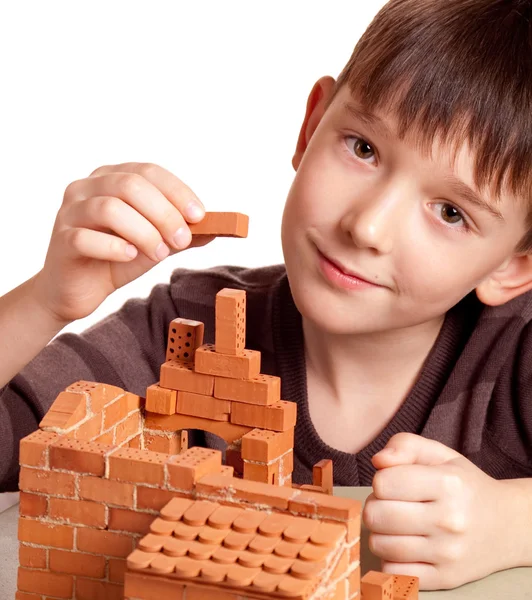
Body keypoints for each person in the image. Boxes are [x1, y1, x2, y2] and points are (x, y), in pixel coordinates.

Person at [2, 0, 532, 590]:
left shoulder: (519, 360)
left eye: (451, 212)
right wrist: (44, 301)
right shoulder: (184, 332)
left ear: (515, 266)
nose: (368, 227)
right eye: (363, 148)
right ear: (311, 127)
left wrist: (514, 522)